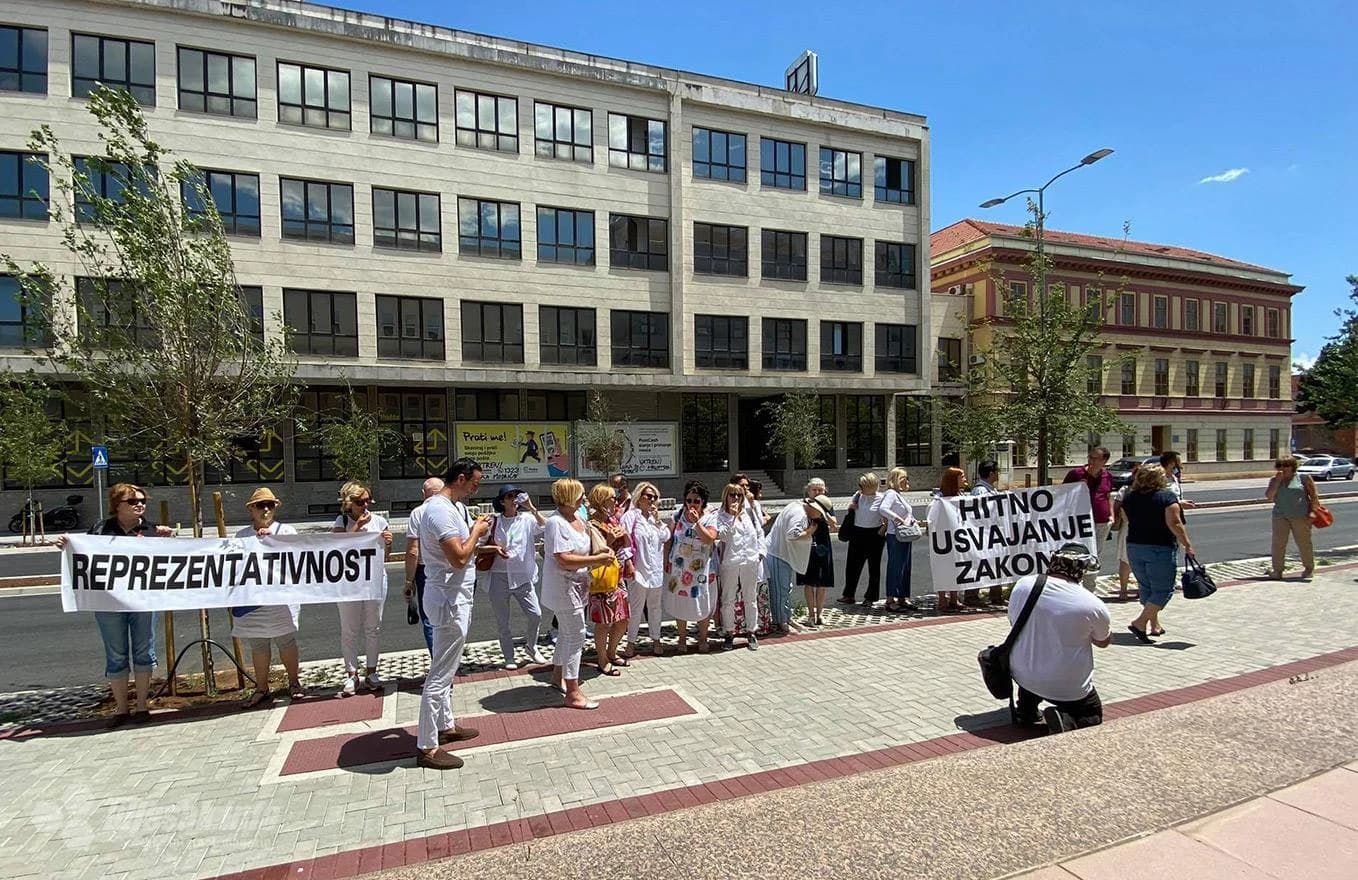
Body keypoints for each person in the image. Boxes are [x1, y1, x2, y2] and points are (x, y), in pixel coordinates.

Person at [62, 482, 174, 728]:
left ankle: (143, 706)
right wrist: (67, 547)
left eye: (142, 500)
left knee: (144, 652)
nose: (140, 505)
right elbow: (83, 555)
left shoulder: (153, 530)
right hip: (108, 603)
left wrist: (169, 539)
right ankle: (122, 709)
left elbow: (172, 560)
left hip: (144, 602)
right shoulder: (100, 530)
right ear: (117, 505)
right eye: (133, 501)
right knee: (116, 654)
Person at [416, 458, 491, 770]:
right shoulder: (439, 510)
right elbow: (459, 557)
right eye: (475, 482)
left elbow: (466, 550)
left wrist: (480, 538)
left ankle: (445, 726)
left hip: (456, 595)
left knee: (447, 668)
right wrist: (476, 531)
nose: (477, 487)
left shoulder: (455, 507)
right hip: (448, 598)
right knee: (439, 674)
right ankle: (427, 745)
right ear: (460, 479)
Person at [1008, 543, 1112, 734]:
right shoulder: (1091, 604)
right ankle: (1067, 718)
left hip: (1022, 673)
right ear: (1081, 570)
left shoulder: (1024, 584)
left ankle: (1026, 709)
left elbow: (1013, 621)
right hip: (1067, 685)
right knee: (1093, 714)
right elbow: (1103, 641)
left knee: (1034, 674)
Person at [542, 478, 615, 710]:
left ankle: (558, 675)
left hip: (579, 585)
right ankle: (573, 691)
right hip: (563, 588)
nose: (584, 498)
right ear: (569, 496)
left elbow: (587, 546)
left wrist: (603, 548)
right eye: (581, 494)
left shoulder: (578, 519)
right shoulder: (556, 523)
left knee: (566, 632)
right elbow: (563, 559)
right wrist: (598, 559)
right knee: (577, 635)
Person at [234, 488, 304, 709]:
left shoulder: (287, 530)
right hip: (253, 601)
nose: (266, 509)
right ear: (251, 509)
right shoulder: (241, 536)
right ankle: (262, 688)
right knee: (258, 645)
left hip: (281, 598)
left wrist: (273, 541)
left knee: (286, 641)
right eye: (261, 505)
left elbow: (299, 557)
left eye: (270, 505)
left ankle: (294, 683)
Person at [1123, 464, 1195, 643]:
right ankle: (1140, 622)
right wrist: (1187, 544)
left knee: (1146, 587)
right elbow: (1175, 523)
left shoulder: (1130, 497)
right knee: (1163, 590)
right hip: (1160, 547)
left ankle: (1154, 625)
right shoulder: (1166, 497)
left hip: (1134, 546)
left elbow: (1126, 519)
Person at [334, 481, 393, 696]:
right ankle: (351, 673)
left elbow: (385, 556)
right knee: (349, 629)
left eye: (368, 501)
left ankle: (372, 671)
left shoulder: (379, 521)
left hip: (374, 580)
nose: (365, 505)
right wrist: (358, 525)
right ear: (349, 503)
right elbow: (339, 548)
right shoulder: (341, 521)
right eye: (360, 502)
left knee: (373, 627)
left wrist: (387, 542)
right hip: (348, 583)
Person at [486, 485, 548, 669]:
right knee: (502, 620)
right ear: (502, 501)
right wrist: (495, 549)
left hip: (523, 576)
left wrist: (531, 507)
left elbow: (546, 526)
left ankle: (531, 646)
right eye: (510, 496)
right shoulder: (493, 522)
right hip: (499, 576)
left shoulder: (527, 519)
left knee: (535, 614)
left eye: (517, 496)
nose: (514, 499)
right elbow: (479, 545)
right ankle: (508, 656)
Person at [664, 481, 719, 652]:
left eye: (696, 500)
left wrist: (697, 523)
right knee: (681, 602)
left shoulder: (710, 518)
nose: (692, 504)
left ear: (703, 501)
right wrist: (666, 561)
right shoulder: (677, 515)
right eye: (689, 500)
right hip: (680, 569)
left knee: (702, 601)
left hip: (701, 570)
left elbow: (709, 539)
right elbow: (669, 540)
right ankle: (682, 639)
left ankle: (703, 638)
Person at [712, 483, 764, 651]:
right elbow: (723, 537)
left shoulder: (749, 512)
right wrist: (732, 517)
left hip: (750, 560)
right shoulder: (720, 515)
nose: (735, 498)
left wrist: (760, 552)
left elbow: (759, 531)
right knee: (728, 599)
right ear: (726, 496)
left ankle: (751, 631)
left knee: (750, 597)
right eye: (732, 495)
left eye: (739, 495)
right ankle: (729, 632)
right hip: (730, 561)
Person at [586, 482, 631, 673]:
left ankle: (612, 652)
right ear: (601, 500)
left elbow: (625, 545)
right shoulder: (591, 524)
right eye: (612, 497)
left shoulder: (611, 520)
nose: (616, 500)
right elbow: (594, 552)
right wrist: (610, 541)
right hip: (602, 577)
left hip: (617, 575)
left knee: (623, 619)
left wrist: (624, 536)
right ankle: (602, 659)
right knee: (603, 622)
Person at [622, 481, 669, 656]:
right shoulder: (630, 516)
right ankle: (630, 642)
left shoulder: (653, 519)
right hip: (638, 570)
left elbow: (665, 536)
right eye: (648, 496)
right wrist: (628, 563)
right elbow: (624, 542)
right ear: (639, 497)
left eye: (654, 497)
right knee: (635, 608)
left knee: (655, 607)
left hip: (655, 571)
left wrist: (657, 520)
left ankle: (656, 639)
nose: (651, 500)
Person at [765, 496, 824, 634]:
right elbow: (792, 535)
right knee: (780, 591)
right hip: (778, 555)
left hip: (781, 554)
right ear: (814, 508)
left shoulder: (796, 506)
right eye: (820, 514)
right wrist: (809, 532)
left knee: (784, 589)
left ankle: (786, 618)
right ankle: (781, 622)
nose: (819, 518)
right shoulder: (799, 514)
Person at [403, 477, 444, 656]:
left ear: (423, 494)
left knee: (430, 619)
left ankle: (439, 665)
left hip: (427, 572)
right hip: (453, 570)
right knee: (451, 618)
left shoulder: (418, 513)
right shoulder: (455, 509)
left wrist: (408, 581)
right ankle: (451, 661)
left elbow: (413, 551)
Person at [1063, 446, 1114, 592]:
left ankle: (1089, 589)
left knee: (1094, 555)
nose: (1091, 460)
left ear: (1104, 461)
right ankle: (1074, 588)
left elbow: (1108, 495)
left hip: (1101, 522)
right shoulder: (1076, 474)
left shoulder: (1107, 476)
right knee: (1077, 554)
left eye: (1095, 458)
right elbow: (1062, 494)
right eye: (1090, 457)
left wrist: (1111, 515)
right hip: (1080, 522)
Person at [1265, 455, 1318, 580]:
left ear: (1293, 467)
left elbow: (1314, 496)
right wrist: (1278, 481)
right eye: (1279, 466)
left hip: (1300, 515)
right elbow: (1269, 496)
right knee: (1278, 543)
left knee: (1304, 542)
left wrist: (1313, 512)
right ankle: (1277, 571)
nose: (1283, 468)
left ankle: (1309, 568)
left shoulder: (1303, 478)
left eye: (1286, 465)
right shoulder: (1274, 480)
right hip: (1280, 515)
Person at [839, 472, 887, 609]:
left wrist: (882, 530)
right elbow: (851, 510)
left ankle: (870, 597)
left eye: (863, 485)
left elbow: (888, 516)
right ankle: (849, 595)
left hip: (874, 534)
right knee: (852, 566)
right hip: (857, 532)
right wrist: (851, 507)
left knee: (873, 567)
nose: (860, 487)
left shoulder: (882, 498)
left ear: (871, 486)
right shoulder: (858, 495)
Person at [877, 467, 919, 613]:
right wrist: (897, 518)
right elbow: (883, 509)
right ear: (894, 479)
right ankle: (890, 599)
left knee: (905, 566)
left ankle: (902, 596)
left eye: (906, 478)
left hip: (904, 534)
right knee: (895, 566)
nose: (905, 481)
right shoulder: (891, 493)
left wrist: (911, 520)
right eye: (902, 478)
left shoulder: (898, 495)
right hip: (895, 535)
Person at [798, 478, 838, 626]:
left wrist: (823, 513)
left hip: (823, 543)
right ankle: (810, 615)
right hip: (807, 542)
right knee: (809, 581)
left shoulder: (827, 504)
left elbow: (833, 524)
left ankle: (820, 614)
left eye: (820, 490)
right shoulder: (803, 505)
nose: (818, 492)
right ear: (808, 491)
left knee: (822, 581)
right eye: (814, 490)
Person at [970, 463, 1006, 605]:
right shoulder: (981, 491)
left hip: (993, 532)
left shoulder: (990, 490)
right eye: (997, 471)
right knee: (981, 564)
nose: (998, 474)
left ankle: (996, 596)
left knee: (996, 564)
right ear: (991, 474)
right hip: (984, 533)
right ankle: (971, 596)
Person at [938, 467, 969, 612]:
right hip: (944, 539)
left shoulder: (961, 495)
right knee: (944, 568)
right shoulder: (939, 498)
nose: (964, 479)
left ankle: (954, 598)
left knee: (957, 568)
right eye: (961, 476)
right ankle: (942, 599)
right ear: (953, 479)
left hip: (959, 538)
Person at [1109, 469, 1136, 601]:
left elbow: (1116, 507)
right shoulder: (1126, 490)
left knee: (1126, 560)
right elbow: (1116, 508)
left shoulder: (1125, 490)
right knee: (1127, 560)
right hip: (1130, 527)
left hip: (1129, 526)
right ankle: (1124, 590)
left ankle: (1124, 591)